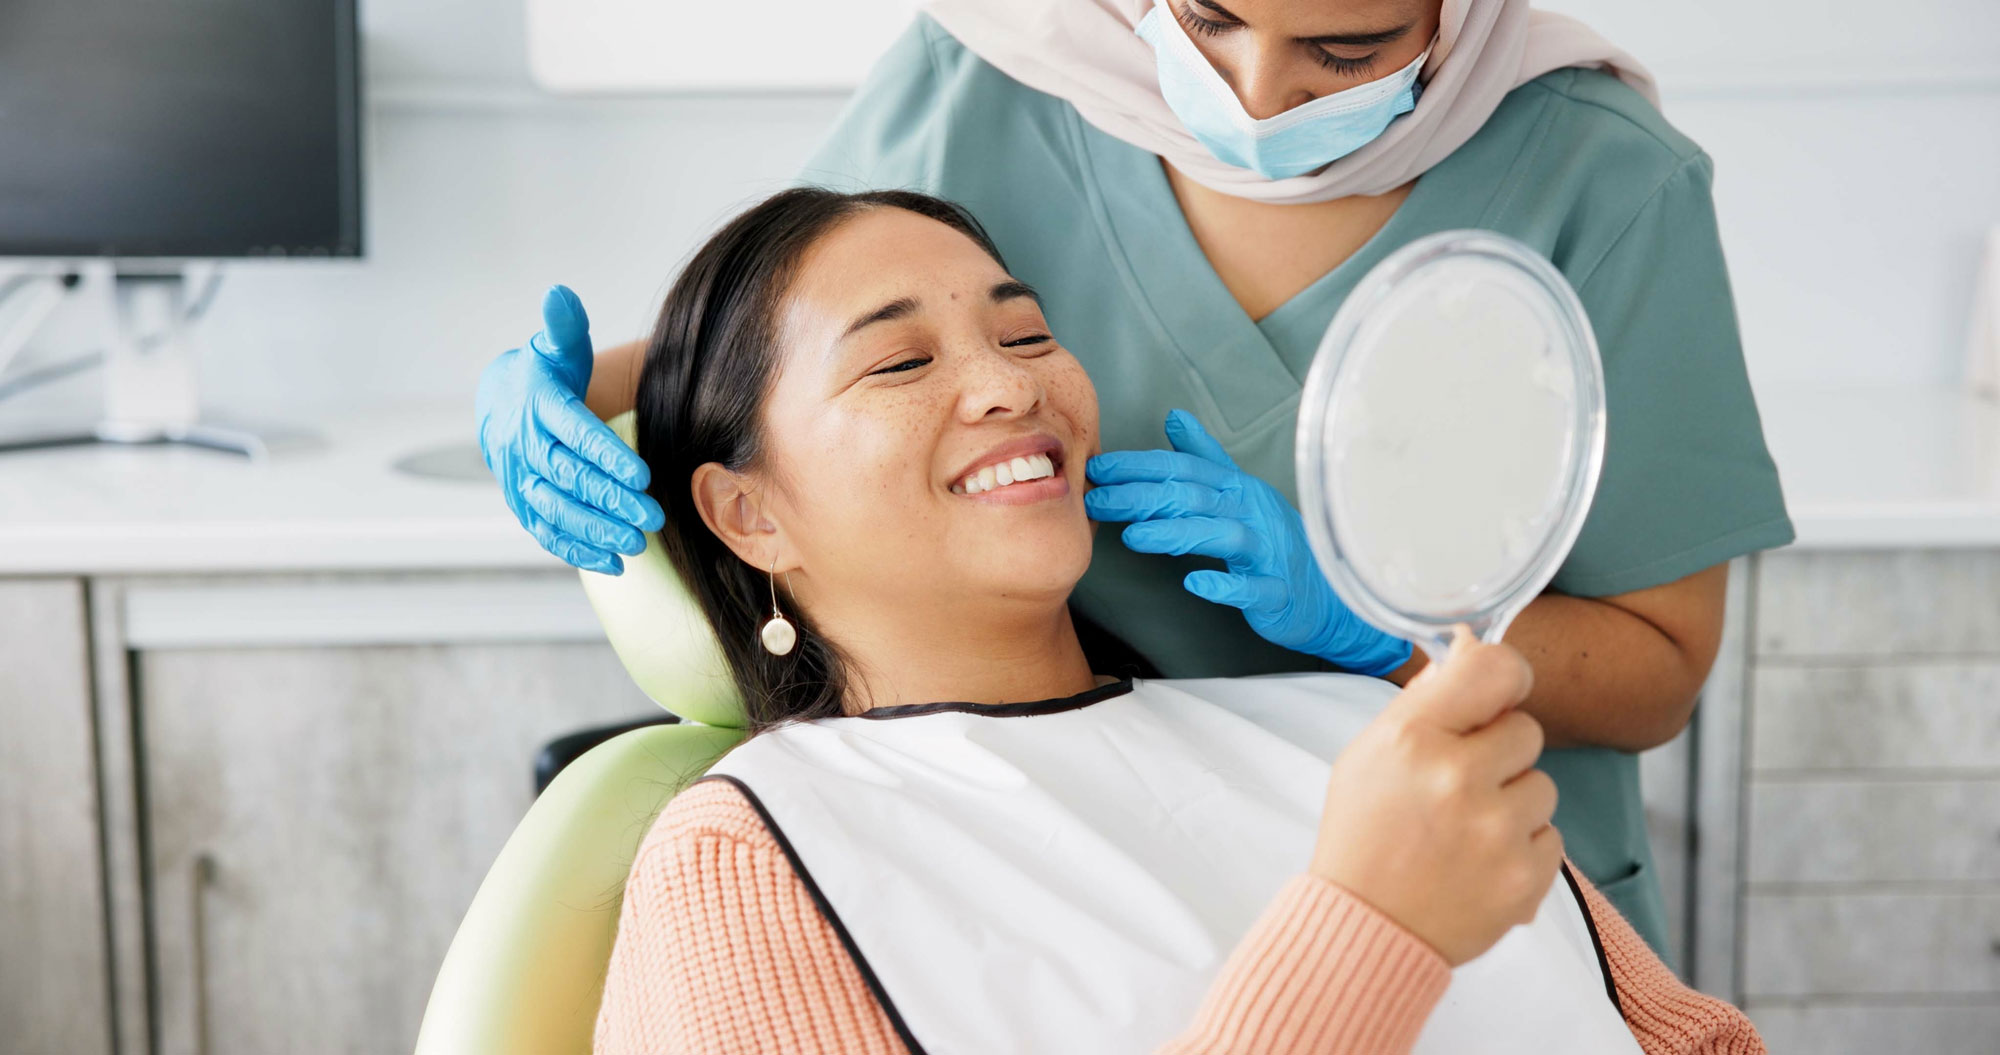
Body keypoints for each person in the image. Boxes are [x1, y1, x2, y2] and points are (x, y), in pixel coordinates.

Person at [476, 0, 1795, 953]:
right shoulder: (989, 72)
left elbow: (1657, 664)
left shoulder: (1600, 177)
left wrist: (1382, 630)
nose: (1256, 95)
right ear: (744, 512)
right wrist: (574, 394)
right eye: (1207, 18)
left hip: (1473, 886)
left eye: (1345, 52)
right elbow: (788, 346)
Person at [589, 186, 1762, 1054]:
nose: (1009, 387)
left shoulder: (1361, 729)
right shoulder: (745, 860)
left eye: (1027, 334)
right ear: (746, 512)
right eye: (898, 362)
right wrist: (1370, 928)